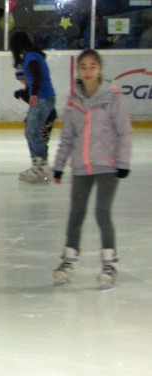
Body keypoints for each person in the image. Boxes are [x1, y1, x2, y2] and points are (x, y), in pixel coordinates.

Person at [51, 49, 132, 289]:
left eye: (92, 66)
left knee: (102, 213)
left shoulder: (113, 97)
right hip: (81, 166)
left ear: (100, 69)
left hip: (107, 165)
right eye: (83, 67)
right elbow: (68, 136)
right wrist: (58, 166)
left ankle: (109, 263)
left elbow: (124, 131)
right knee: (76, 214)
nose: (88, 71)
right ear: (78, 70)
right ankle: (68, 261)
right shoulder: (73, 99)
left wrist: (123, 163)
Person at [10, 31, 56, 183]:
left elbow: (37, 76)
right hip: (44, 97)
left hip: (42, 98)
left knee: (33, 132)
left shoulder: (30, 57)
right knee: (30, 131)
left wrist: (34, 94)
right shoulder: (33, 55)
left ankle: (42, 166)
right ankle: (38, 164)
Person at [13, 66, 57, 169]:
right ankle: (37, 163)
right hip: (41, 116)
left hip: (47, 117)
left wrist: (21, 94)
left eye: (22, 79)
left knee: (39, 139)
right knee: (32, 136)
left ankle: (41, 164)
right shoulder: (30, 85)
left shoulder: (34, 86)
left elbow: (33, 101)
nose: (21, 82)